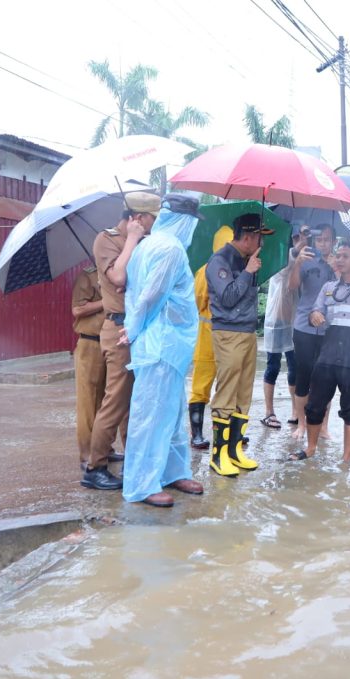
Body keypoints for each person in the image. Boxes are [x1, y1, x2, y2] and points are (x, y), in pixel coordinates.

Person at [121, 194, 206, 507]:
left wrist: (134, 330)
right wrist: (132, 330)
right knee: (152, 416)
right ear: (184, 221)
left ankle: (172, 471)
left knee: (170, 413)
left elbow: (135, 293)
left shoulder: (147, 245)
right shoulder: (169, 249)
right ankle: (141, 485)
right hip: (161, 344)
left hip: (167, 346)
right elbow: (149, 296)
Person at [83, 191, 159, 491]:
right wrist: (130, 240)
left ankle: (133, 459)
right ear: (137, 218)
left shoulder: (147, 242)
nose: (155, 224)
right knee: (115, 401)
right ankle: (95, 466)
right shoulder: (106, 239)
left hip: (139, 329)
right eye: (152, 218)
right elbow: (118, 277)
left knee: (134, 401)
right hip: (119, 329)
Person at [291, 241, 350, 464]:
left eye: (345, 256)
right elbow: (315, 311)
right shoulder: (329, 288)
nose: (340, 259)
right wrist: (314, 316)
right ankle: (312, 448)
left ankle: (346, 458)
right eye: (339, 255)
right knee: (315, 404)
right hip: (328, 353)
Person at [205, 211, 273, 476]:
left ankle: (235, 451)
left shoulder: (249, 259)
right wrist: (246, 273)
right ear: (248, 237)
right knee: (226, 394)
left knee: (243, 393)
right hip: (228, 334)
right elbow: (229, 297)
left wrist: (249, 269)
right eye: (259, 238)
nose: (261, 244)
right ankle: (218, 455)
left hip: (247, 333)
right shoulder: (219, 261)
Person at [187, 226, 234, 450]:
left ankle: (227, 433)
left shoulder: (243, 270)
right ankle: (196, 433)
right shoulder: (206, 271)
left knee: (229, 386)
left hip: (230, 338)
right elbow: (197, 300)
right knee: (202, 384)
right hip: (207, 337)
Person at [288, 223, 336, 441]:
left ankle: (323, 425)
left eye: (327, 240)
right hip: (304, 326)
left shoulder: (339, 264)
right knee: (303, 376)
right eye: (319, 240)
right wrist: (296, 264)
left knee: (326, 378)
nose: (323, 244)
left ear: (333, 242)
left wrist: (336, 269)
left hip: (330, 328)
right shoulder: (306, 260)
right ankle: (301, 424)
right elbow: (292, 286)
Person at [260, 227, 305, 429]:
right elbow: (285, 269)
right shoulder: (280, 259)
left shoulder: (304, 260)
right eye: (295, 236)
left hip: (295, 321)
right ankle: (269, 412)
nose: (299, 240)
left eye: (302, 237)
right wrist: (296, 250)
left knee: (295, 367)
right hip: (276, 322)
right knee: (273, 366)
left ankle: (296, 410)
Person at [71, 264, 110, 471]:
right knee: (88, 403)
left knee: (107, 400)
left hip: (110, 343)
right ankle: (86, 454)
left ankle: (105, 448)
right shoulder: (87, 276)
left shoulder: (115, 274)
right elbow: (77, 309)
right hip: (90, 343)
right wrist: (105, 302)